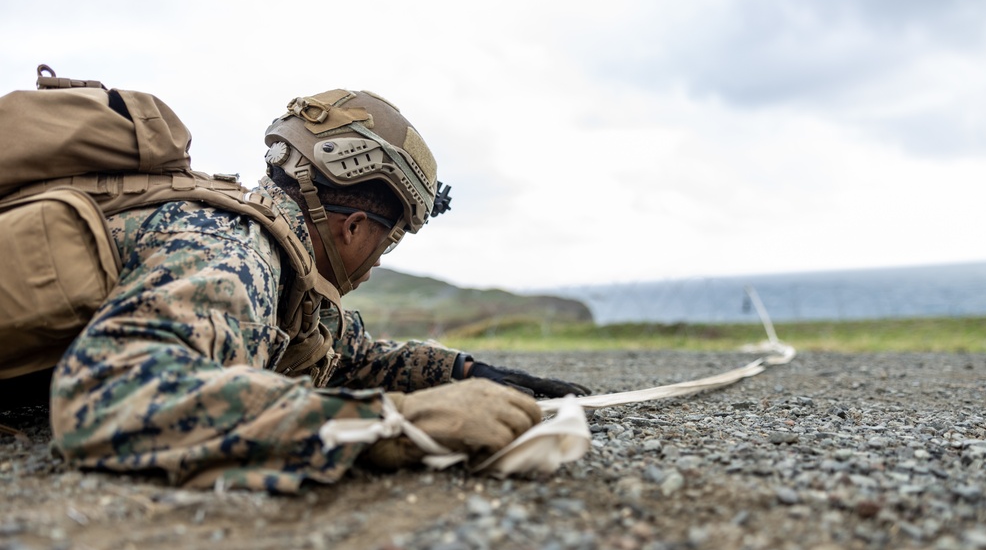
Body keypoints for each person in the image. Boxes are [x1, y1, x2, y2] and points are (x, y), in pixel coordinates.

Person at [50, 88, 589, 493]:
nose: (378, 263)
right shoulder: (235, 252)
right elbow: (106, 395)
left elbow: (342, 352)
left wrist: (466, 373)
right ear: (354, 227)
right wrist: (395, 424)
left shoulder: (279, 258)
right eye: (388, 241)